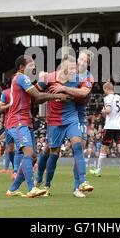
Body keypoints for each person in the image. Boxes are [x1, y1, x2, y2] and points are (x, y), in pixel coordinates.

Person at [6, 55, 69, 198]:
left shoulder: (21, 80)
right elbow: (39, 96)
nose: (34, 67)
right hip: (18, 121)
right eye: (31, 64)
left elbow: (34, 101)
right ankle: (31, 188)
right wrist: (57, 96)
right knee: (28, 153)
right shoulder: (22, 78)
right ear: (22, 67)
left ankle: (13, 188)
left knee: (33, 156)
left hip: (25, 121)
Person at [34, 55, 94, 197]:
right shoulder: (50, 77)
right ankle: (44, 183)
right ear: (64, 66)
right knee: (52, 152)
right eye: (73, 66)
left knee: (78, 146)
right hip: (54, 120)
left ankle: (81, 183)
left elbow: (84, 92)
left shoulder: (82, 78)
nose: (76, 68)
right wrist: (41, 81)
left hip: (74, 117)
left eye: (78, 65)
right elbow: (35, 94)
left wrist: (63, 89)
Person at [90, 82, 120, 178]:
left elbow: (108, 110)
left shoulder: (108, 98)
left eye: (104, 90)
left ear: (107, 89)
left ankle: (98, 171)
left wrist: (103, 111)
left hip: (110, 126)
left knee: (104, 147)